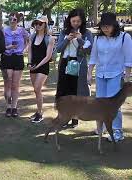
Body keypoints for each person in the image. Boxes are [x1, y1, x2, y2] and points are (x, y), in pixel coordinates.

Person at [88, 12, 132, 142]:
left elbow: (129, 60)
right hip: (101, 74)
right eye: (103, 26)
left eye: (108, 26)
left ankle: (117, 131)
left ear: (115, 25)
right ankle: (101, 127)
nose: (105, 28)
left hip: (116, 74)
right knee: (100, 103)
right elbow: (93, 57)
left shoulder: (124, 38)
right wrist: (90, 73)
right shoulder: (98, 39)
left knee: (113, 104)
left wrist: (127, 78)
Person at [55, 8, 93, 128]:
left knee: (76, 92)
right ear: (69, 20)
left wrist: (80, 39)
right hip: (65, 63)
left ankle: (75, 119)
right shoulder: (63, 32)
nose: (76, 23)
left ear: (82, 21)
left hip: (79, 64)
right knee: (64, 92)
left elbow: (89, 50)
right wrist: (67, 39)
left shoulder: (87, 33)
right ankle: (64, 117)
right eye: (73, 21)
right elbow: (59, 49)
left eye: (78, 21)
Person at [27, 16, 55, 123]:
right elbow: (30, 51)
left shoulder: (50, 38)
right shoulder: (32, 37)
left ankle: (40, 113)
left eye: (40, 23)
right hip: (33, 65)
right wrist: (29, 63)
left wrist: (37, 66)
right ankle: (38, 111)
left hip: (43, 67)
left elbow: (48, 56)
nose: (37, 25)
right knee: (36, 90)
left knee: (37, 88)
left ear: (45, 25)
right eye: (36, 23)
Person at [1, 12, 29, 117]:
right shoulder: (4, 30)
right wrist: (8, 47)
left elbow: (29, 40)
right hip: (7, 58)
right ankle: (8, 107)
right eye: (11, 18)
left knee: (15, 85)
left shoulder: (22, 30)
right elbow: (0, 45)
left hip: (18, 58)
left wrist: (25, 49)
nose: (12, 20)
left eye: (15, 19)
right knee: (8, 84)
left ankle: (14, 107)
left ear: (18, 21)